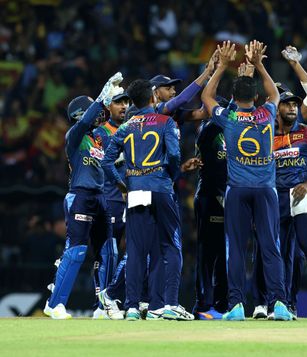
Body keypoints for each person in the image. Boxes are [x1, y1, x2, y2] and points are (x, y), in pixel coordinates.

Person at [201, 40, 293, 321]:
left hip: (238, 190)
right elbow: (275, 93)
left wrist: (222, 67)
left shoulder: (228, 117)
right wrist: (259, 64)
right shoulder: (266, 114)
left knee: (237, 248)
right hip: (265, 189)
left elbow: (206, 97)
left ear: (234, 95)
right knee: (270, 246)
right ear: (256, 98)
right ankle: (279, 304)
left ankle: (237, 305)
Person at [102, 79, 191, 321]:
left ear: (132, 102)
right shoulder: (166, 122)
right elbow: (173, 154)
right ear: (153, 98)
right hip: (160, 187)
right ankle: (164, 305)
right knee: (169, 246)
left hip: (135, 190)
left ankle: (131, 307)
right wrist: (172, 176)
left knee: (136, 250)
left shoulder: (126, 127)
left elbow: (107, 161)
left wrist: (123, 185)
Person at [253, 91, 307, 319]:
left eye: (295, 104)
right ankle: (281, 304)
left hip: (301, 195)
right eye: (287, 105)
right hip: (274, 197)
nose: (292, 108)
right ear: (277, 109)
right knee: (277, 251)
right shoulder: (267, 134)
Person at [44, 73, 123, 319]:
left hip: (100, 197)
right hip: (80, 196)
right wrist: (101, 98)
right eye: (91, 110)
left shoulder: (97, 139)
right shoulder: (75, 136)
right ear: (81, 113)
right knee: (77, 251)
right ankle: (55, 304)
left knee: (108, 252)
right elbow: (84, 122)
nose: (98, 114)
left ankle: (102, 306)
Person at [92, 90, 130, 319]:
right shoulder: (100, 133)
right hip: (109, 198)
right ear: (108, 105)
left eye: (126, 101)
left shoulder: (132, 129)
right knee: (107, 253)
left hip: (132, 198)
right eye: (118, 102)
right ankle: (100, 305)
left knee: (131, 252)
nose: (124, 106)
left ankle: (117, 300)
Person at [191, 96, 230, 320]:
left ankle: (222, 303)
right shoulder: (208, 130)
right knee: (208, 253)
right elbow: (211, 170)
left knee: (225, 251)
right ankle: (203, 305)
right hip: (210, 196)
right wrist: (220, 194)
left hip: (226, 196)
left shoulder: (223, 128)